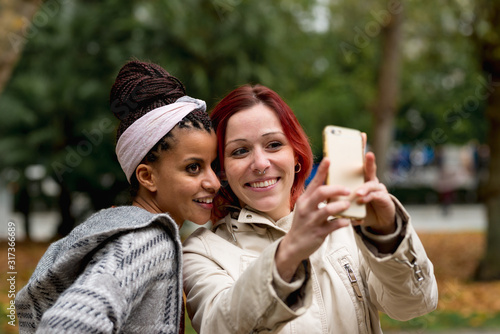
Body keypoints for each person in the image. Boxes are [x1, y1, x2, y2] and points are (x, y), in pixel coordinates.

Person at [183, 84, 438, 333]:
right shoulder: (202, 251)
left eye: (273, 144)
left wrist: (387, 235)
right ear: (223, 170)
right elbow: (218, 325)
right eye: (240, 151)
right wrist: (288, 253)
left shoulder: (347, 223)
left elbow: (414, 305)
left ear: (295, 155)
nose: (260, 163)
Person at [16, 60, 220, 334]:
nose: (214, 182)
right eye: (193, 168)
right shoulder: (148, 241)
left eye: (213, 166)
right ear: (147, 177)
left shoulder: (127, 229)